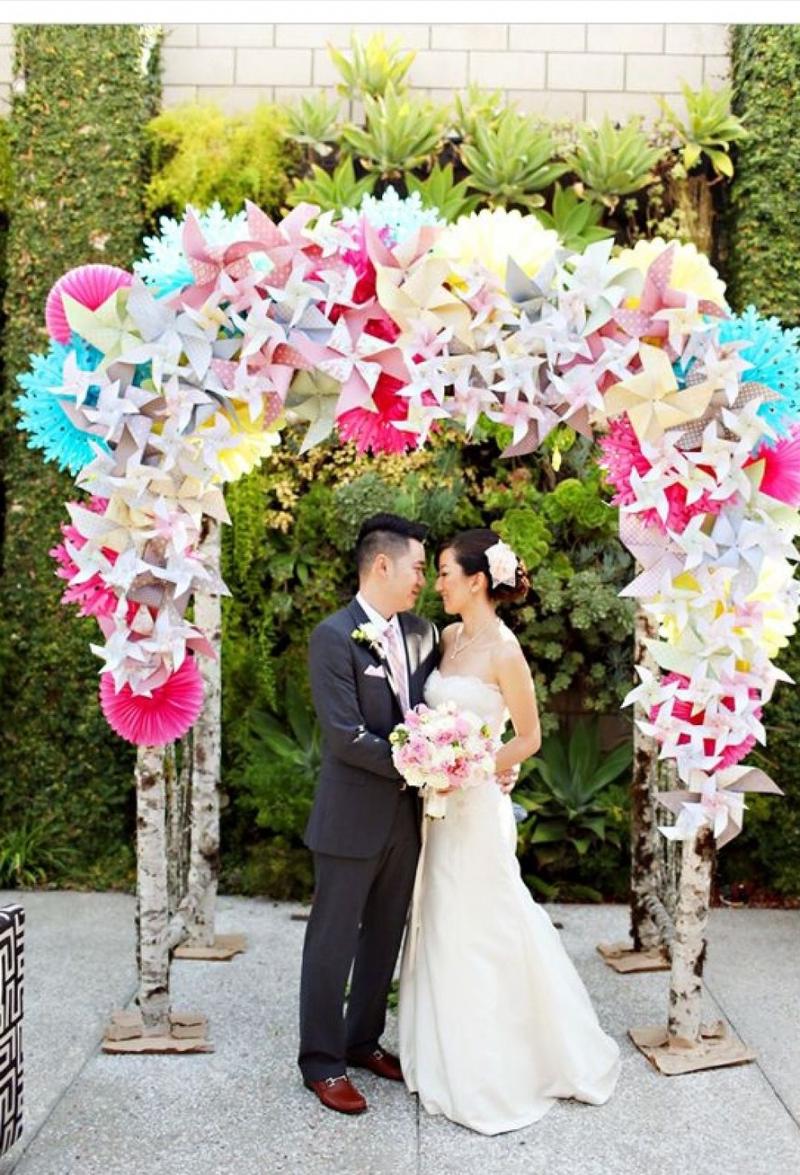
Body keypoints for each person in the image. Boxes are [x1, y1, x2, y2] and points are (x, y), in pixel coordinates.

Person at [398, 528, 621, 1135]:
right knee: (440, 920)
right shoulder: (446, 638)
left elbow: (529, 737)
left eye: (445, 573)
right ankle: (438, 1050)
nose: (436, 583)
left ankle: (501, 1064)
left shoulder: (505, 650)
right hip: (438, 809)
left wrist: (467, 768)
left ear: (476, 581)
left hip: (475, 809)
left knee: (486, 925)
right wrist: (430, 760)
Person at [299, 512, 439, 1115]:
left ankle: (362, 1042)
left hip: (406, 821)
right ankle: (321, 1062)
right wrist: (425, 765)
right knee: (332, 942)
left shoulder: (424, 633)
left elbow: (439, 713)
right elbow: (345, 737)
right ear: (382, 564)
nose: (423, 580)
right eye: (418, 568)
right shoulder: (333, 637)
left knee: (385, 936)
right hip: (351, 817)